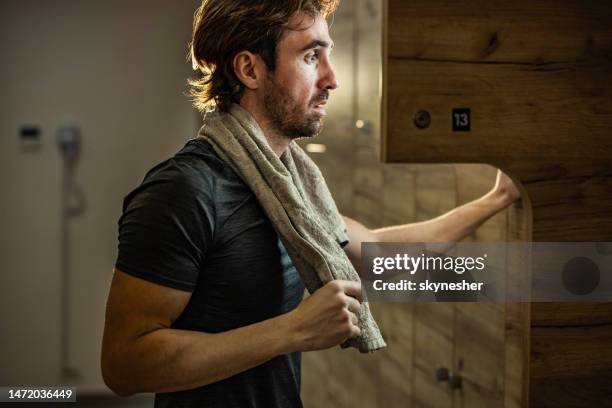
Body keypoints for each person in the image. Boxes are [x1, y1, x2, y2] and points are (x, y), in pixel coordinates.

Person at [101, 0, 521, 407]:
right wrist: (292, 331)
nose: (332, 78)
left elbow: (377, 251)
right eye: (310, 56)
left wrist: (498, 197)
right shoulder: (186, 190)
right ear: (250, 69)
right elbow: (124, 364)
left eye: (327, 54)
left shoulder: (287, 188)